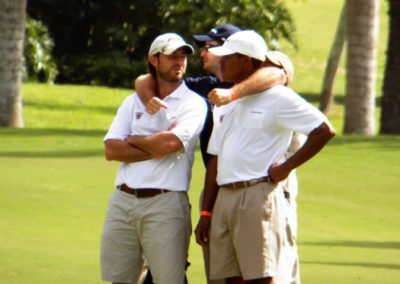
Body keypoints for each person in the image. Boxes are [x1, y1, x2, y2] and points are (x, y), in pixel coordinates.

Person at [134, 24, 289, 284]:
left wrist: (234, 93)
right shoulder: (204, 86)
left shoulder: (261, 76)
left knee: (260, 272)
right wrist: (148, 96)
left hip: (258, 189)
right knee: (221, 272)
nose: (203, 52)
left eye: (210, 46)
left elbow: (278, 73)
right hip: (217, 187)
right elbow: (145, 78)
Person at [195, 30, 336, 284]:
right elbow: (215, 158)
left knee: (260, 278)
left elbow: (324, 130)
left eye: (228, 58)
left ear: (247, 61)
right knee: (230, 279)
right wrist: (206, 211)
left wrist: (286, 167)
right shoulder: (227, 102)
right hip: (224, 197)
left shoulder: (279, 97)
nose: (221, 62)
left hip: (257, 194)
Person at [101, 32, 207, 284]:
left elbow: (170, 144)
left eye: (183, 56)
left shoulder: (193, 103)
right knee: (120, 279)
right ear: (154, 59)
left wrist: (134, 138)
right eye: (172, 56)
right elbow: (111, 150)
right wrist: (153, 146)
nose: (179, 61)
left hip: (165, 202)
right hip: (122, 200)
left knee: (169, 281)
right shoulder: (132, 101)